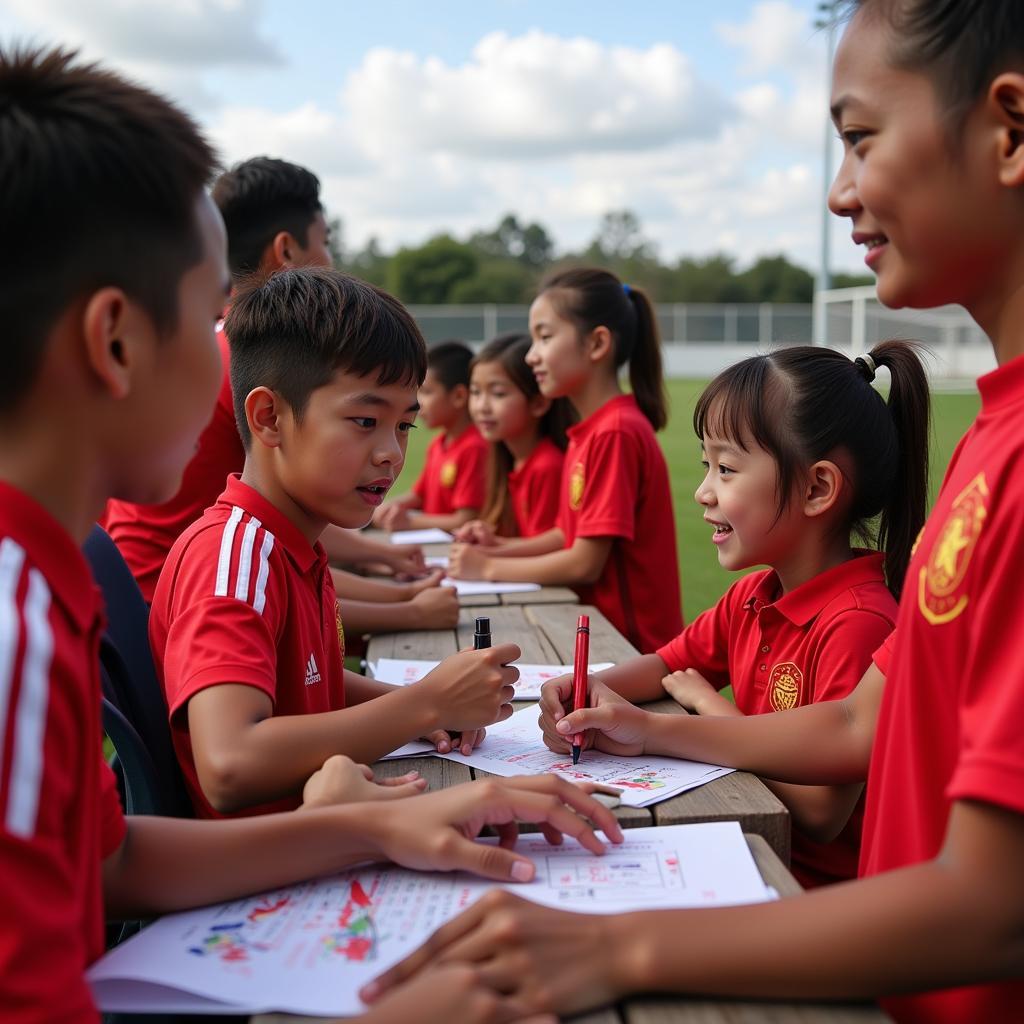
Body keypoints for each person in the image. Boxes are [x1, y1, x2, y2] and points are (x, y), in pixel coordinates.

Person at [365, 2, 1024, 1019]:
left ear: (1008, 130)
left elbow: (994, 906)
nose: (840, 190)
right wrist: (644, 727)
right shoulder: (993, 434)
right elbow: (859, 723)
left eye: (859, 138)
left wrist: (617, 945)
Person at [0, 47, 622, 1022]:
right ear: (115, 342)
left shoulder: (43, 587)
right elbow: (225, 768)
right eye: (211, 316)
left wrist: (390, 824)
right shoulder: (15, 629)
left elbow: (112, 860)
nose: (223, 370)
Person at [536, 341, 928, 887]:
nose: (702, 491)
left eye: (725, 468)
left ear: (817, 488)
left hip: (799, 888)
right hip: (738, 843)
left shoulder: (859, 623)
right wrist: (577, 688)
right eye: (706, 465)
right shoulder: (753, 595)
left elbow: (818, 813)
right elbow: (664, 665)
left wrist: (706, 709)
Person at [149, 268, 518, 818]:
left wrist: (423, 708)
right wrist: (423, 703)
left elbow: (310, 686)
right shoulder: (235, 557)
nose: (391, 452)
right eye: (365, 420)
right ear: (269, 417)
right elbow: (230, 763)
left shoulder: (291, 544)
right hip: (270, 884)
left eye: (404, 427)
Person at [102, 156, 454, 632]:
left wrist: (387, 572)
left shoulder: (219, 349)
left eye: (404, 425)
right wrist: (406, 611)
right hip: (164, 615)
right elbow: (251, 588)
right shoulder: (238, 360)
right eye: (326, 243)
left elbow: (289, 521)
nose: (333, 262)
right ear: (286, 250)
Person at [447, 269, 682, 652]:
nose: (531, 354)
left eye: (545, 336)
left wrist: (487, 568)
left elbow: (584, 562)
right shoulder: (589, 432)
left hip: (630, 649)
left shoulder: (615, 432)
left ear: (596, 344)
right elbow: (566, 535)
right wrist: (495, 548)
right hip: (604, 640)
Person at [454, 333, 573, 546]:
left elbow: (546, 552)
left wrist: (489, 556)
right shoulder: (510, 460)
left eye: (498, 394)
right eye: (476, 392)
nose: (482, 407)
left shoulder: (547, 466)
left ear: (538, 404)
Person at [373, 340, 489, 533]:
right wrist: (385, 508)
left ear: (459, 396)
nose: (418, 403)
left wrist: (409, 523)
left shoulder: (474, 447)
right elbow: (419, 496)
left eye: (426, 391)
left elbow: (466, 519)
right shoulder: (438, 445)